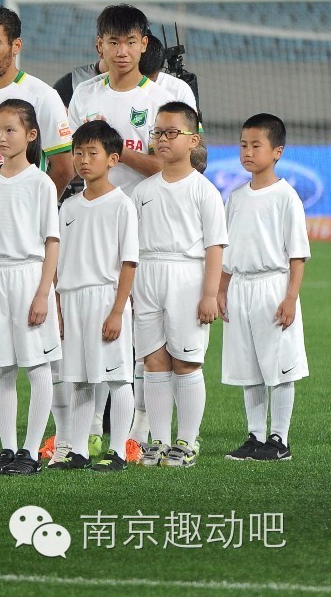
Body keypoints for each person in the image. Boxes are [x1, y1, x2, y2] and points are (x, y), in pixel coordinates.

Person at [133, 102, 226, 469]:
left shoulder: (204, 190)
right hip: (147, 275)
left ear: (193, 140)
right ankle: (158, 440)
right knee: (153, 361)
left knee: (185, 361)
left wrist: (210, 294)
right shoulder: (142, 191)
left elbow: (215, 246)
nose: (163, 139)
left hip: (187, 277)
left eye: (171, 132)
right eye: (157, 132)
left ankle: (187, 440)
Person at [0, 100, 60, 476]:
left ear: (31, 135)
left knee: (37, 367)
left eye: (10, 130)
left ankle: (31, 452)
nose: (1, 137)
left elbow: (52, 242)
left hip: (28, 277)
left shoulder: (41, 183)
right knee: (3, 368)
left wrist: (43, 293)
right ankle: (8, 450)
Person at [219, 113, 308, 462]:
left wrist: (290, 298)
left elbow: (297, 255)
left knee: (279, 364)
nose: (247, 152)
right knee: (249, 365)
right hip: (240, 287)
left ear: (277, 152)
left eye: (256, 145)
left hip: (273, 286)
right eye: (243, 145)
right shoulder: (236, 197)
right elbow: (227, 252)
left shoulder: (286, 197)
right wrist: (221, 290)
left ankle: (279, 439)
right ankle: (255, 436)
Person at [53, 120, 139, 472]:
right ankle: (78, 450)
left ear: (113, 159)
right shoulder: (69, 207)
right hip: (73, 300)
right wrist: (59, 309)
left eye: (93, 153)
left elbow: (129, 262)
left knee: (117, 378)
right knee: (80, 379)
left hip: (106, 299)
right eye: (78, 153)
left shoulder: (122, 205)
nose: (83, 160)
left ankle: (117, 450)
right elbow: (58, 263)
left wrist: (118, 311)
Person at [0, 6, 72, 193]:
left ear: (16, 46)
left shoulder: (43, 97)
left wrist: (36, 206)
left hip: (21, 208)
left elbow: (64, 169)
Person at [67, 5, 174, 195]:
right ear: (100, 45)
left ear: (143, 44)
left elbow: (165, 168)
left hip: (143, 209)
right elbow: (71, 162)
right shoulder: (83, 94)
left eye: (131, 42)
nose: (122, 52)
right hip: (96, 208)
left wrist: (113, 147)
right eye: (114, 43)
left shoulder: (163, 101)